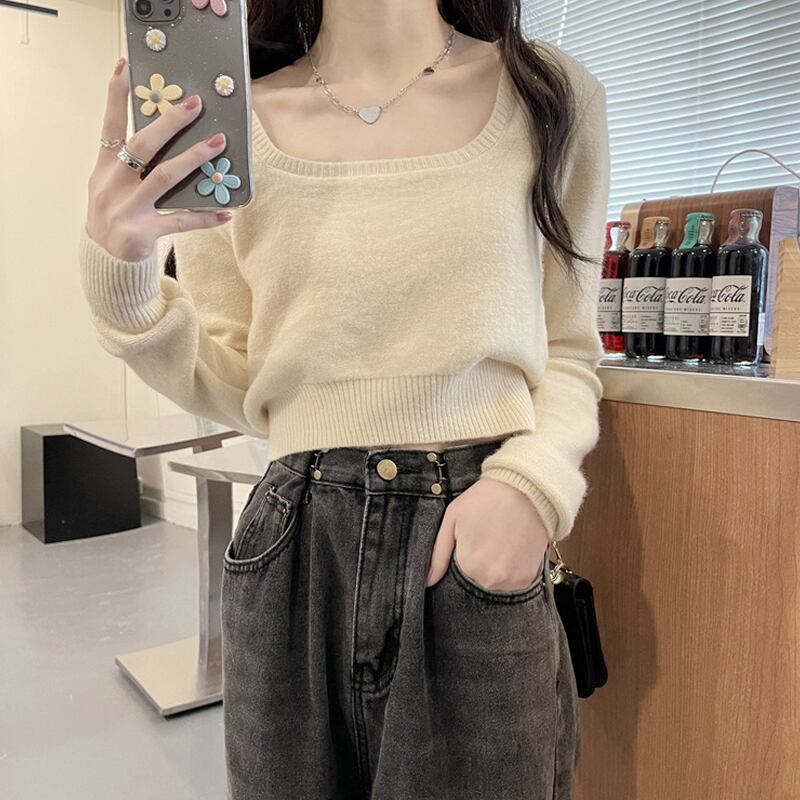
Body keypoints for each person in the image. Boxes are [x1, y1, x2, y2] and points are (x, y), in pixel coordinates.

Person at [78, 1, 610, 797]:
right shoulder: (228, 124)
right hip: (296, 549)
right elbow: (236, 375)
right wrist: (121, 272)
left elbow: (568, 345)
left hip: (475, 538)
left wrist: (530, 490)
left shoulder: (549, 94)